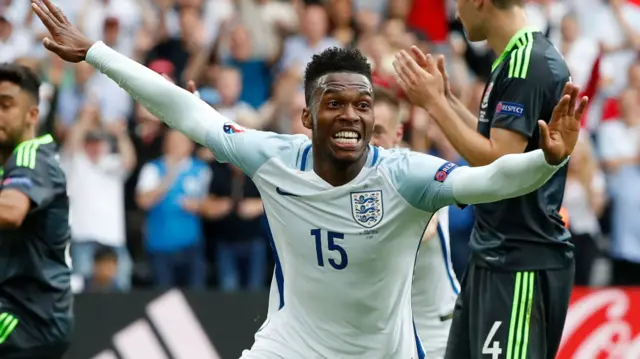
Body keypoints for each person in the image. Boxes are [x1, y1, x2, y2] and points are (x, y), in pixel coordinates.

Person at [32, 1, 585, 357]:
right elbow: (188, 113)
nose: (350, 115)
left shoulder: (406, 175)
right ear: (306, 118)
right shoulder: (275, 159)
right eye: (334, 103)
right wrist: (97, 53)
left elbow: (488, 180)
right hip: (291, 347)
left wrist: (547, 161)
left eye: (362, 104)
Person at [391, 0, 589, 358]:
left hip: (521, 259)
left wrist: (434, 105)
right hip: (495, 253)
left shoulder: (529, 64)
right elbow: (493, 142)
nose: (456, 13)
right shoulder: (513, 59)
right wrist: (446, 99)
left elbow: (500, 162)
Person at [370, 87, 459, 359]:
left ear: (398, 134)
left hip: (438, 328)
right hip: (387, 332)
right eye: (363, 130)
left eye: (377, 131)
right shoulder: (349, 179)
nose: (369, 141)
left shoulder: (422, 172)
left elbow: (425, 230)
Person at [0, 63, 72, 359]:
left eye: (5, 106)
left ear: (32, 115)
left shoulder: (32, 156)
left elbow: (12, 211)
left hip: (29, 319)